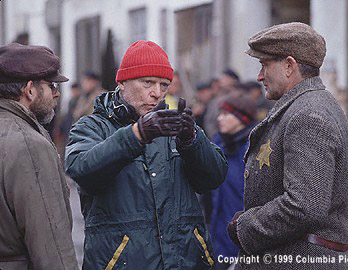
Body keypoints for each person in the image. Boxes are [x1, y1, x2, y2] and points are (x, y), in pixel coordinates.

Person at [65, 40, 227, 270]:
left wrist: (192, 141)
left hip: (184, 261)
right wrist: (136, 135)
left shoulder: (174, 125)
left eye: (164, 85)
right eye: (148, 83)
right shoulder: (91, 126)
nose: (157, 93)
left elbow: (215, 176)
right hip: (123, 262)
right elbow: (82, 169)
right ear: (121, 82)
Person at [227, 22, 348, 269]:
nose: (259, 76)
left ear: (289, 66)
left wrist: (245, 226)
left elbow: (304, 205)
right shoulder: (308, 107)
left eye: (265, 65)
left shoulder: (308, 115)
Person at [0, 43, 78, 270]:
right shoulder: (30, 145)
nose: (56, 93)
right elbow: (51, 246)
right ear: (30, 89)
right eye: (51, 85)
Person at [210, 95, 257, 270]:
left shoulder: (254, 149)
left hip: (244, 238)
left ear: (241, 118)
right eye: (219, 113)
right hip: (217, 233)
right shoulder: (217, 144)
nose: (219, 118)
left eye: (225, 114)